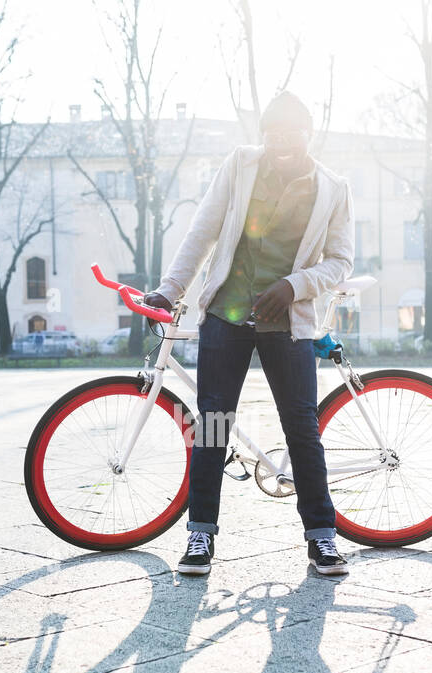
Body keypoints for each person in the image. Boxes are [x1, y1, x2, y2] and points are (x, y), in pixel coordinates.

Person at [142, 91, 353, 577]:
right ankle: (200, 535)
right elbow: (204, 229)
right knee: (212, 425)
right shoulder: (239, 166)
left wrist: (295, 285)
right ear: (263, 135)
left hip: (289, 324)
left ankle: (322, 538)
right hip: (226, 316)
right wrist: (169, 289)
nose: (281, 140)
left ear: (308, 133)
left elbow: (341, 260)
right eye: (272, 132)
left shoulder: (333, 188)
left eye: (291, 132)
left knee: (302, 429)